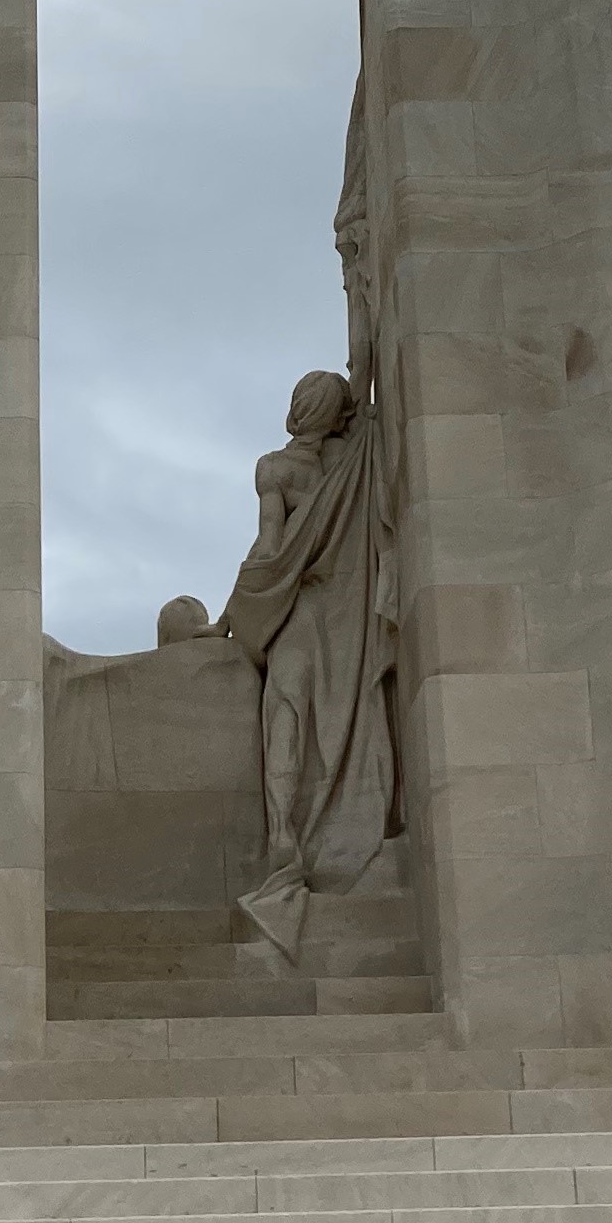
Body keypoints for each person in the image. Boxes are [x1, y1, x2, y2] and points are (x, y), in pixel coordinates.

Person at [218, 364, 395, 948]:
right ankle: (311, 830)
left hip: (303, 613)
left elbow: (271, 549)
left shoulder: (278, 468)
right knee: (343, 720)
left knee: (285, 712)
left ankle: (284, 831)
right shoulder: (356, 459)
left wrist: (229, 618)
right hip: (348, 619)